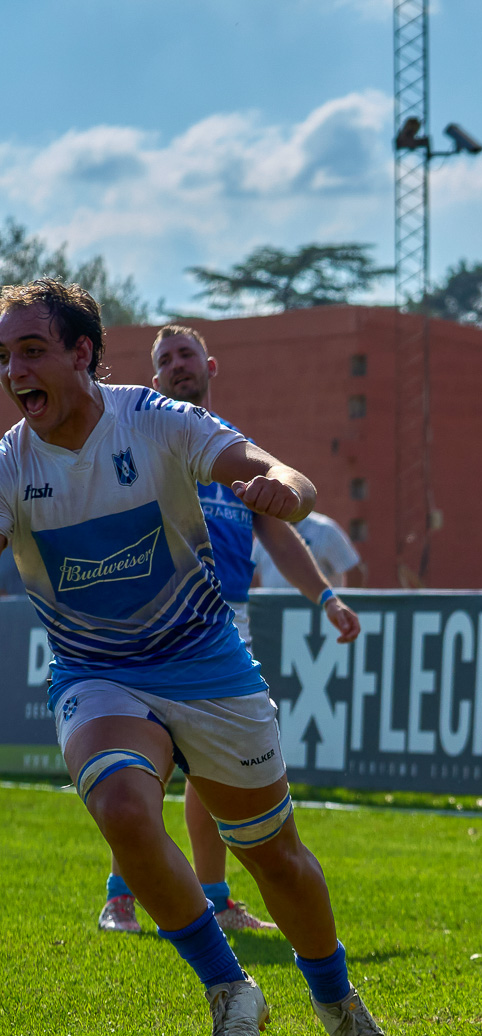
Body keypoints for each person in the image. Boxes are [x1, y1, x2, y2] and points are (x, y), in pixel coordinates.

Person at [0, 278, 386, 1036]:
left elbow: (278, 473)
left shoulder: (156, 420)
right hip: (96, 672)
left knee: (275, 856)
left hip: (207, 663)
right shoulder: (10, 465)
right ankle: (227, 987)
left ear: (83, 354)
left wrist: (289, 489)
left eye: (31, 351)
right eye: (4, 358)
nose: (14, 372)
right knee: (123, 808)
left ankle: (335, 997)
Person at [97, 324, 363, 936]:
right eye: (165, 360)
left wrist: (325, 596)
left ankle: (214, 897)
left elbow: (278, 532)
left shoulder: (230, 450)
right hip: (156, 625)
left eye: (186, 354)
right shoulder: (146, 442)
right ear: (154, 377)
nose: (178, 365)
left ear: (210, 366)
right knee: (147, 761)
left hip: (227, 622)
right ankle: (120, 895)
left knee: (214, 766)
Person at [253, 510, 362, 590]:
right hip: (273, 612)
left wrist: (344, 608)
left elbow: (354, 572)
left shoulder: (325, 530)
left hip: (317, 614)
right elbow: (252, 574)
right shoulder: (266, 531)